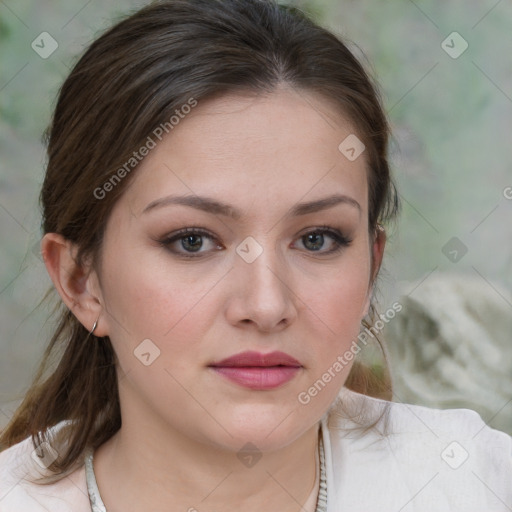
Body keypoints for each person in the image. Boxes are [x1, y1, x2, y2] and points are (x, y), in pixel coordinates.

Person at [0, 0, 510, 510]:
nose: (266, 306)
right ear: (81, 281)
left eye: (317, 239)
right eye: (192, 241)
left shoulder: (478, 483)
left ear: (373, 264)